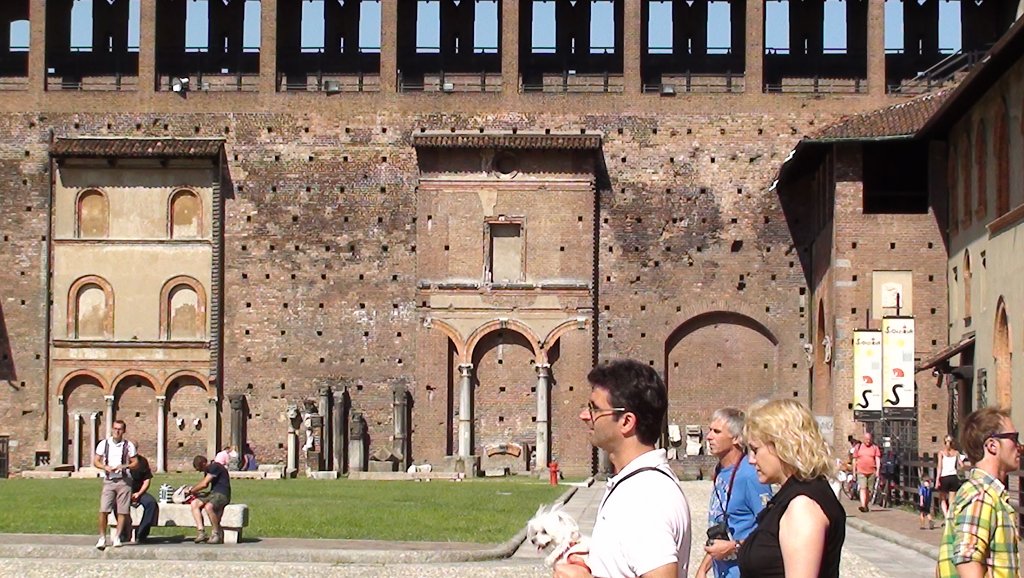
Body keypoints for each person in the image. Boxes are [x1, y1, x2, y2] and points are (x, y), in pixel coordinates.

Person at [553, 359, 691, 578]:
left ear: (626, 422)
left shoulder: (644, 497)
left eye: (595, 409)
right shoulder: (636, 485)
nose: (584, 416)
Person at [737, 399, 846, 578]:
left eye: (755, 450)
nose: (751, 460)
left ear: (782, 446)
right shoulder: (795, 494)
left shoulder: (802, 506)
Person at [937, 407, 1021, 578]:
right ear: (992, 445)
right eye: (1014, 438)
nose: (1019, 446)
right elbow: (966, 559)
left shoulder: (984, 493)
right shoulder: (981, 495)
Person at [696, 408, 773, 578]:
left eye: (716, 432)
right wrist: (703, 568)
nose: (709, 436)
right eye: (710, 430)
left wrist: (733, 547)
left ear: (737, 438)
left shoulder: (751, 476)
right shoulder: (720, 471)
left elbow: (771, 534)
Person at [93, 419, 138, 550]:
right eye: (115, 428)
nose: (117, 431)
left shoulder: (128, 445)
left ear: (123, 431)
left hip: (124, 481)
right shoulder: (104, 444)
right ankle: (102, 537)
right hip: (109, 481)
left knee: (122, 511)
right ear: (112, 429)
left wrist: (124, 466)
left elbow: (136, 462)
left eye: (120, 429)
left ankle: (117, 537)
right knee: (103, 509)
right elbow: (96, 460)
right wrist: (104, 467)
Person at [189, 454, 232, 544]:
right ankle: (201, 532)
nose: (201, 471)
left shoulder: (215, 467)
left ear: (204, 463)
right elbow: (206, 485)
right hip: (213, 494)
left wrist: (191, 490)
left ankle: (216, 533)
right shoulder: (208, 470)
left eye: (201, 468)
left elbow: (204, 484)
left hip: (222, 494)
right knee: (194, 503)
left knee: (209, 507)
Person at [123, 454, 157, 544]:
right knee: (115, 504)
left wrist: (139, 493)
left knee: (151, 503)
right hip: (123, 491)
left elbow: (147, 480)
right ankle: (124, 532)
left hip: (139, 492)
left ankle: (142, 534)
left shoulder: (142, 461)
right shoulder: (120, 460)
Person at [936, 434, 966, 519]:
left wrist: (937, 479)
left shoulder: (941, 453)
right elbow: (962, 465)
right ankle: (951, 516)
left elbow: (939, 467)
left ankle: (946, 517)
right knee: (952, 500)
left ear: (944, 442)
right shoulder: (956, 453)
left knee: (942, 499)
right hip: (953, 477)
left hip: (944, 477)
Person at [852, 431, 881, 513]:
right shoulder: (859, 447)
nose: (868, 441)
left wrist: (878, 470)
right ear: (864, 439)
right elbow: (854, 460)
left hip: (871, 471)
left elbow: (877, 459)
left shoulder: (875, 448)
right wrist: (854, 472)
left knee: (869, 490)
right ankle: (863, 505)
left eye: (869, 439)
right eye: (866, 439)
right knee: (863, 488)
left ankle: (866, 504)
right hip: (861, 471)